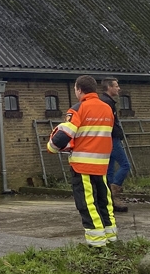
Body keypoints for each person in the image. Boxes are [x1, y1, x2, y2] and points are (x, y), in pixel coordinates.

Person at [48, 75, 116, 247]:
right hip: (102, 164)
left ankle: (97, 243)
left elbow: (65, 134)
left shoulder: (78, 109)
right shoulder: (107, 108)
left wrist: (52, 147)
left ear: (79, 89)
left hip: (83, 165)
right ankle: (111, 238)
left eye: (75, 90)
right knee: (104, 202)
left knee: (87, 204)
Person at [99, 77, 130, 213]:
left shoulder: (106, 102)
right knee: (125, 165)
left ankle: (110, 200)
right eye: (116, 86)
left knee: (109, 169)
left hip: (107, 139)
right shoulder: (107, 103)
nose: (118, 88)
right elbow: (109, 122)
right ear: (109, 88)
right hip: (111, 138)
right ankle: (114, 188)